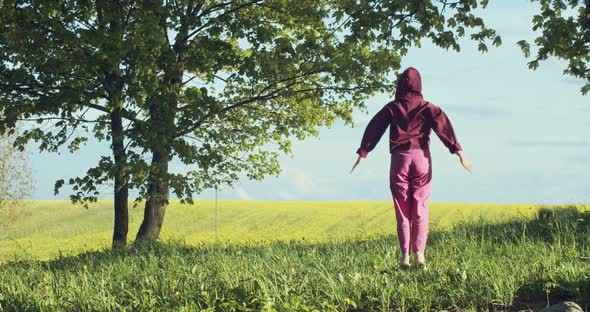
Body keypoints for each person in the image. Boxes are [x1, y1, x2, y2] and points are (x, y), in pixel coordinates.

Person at [350, 67, 472, 270]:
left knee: (402, 209)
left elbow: (375, 127)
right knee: (420, 208)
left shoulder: (392, 107)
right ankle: (420, 256)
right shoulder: (427, 107)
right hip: (421, 158)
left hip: (400, 159)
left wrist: (364, 152)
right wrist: (458, 152)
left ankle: (405, 257)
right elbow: (444, 127)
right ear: (419, 85)